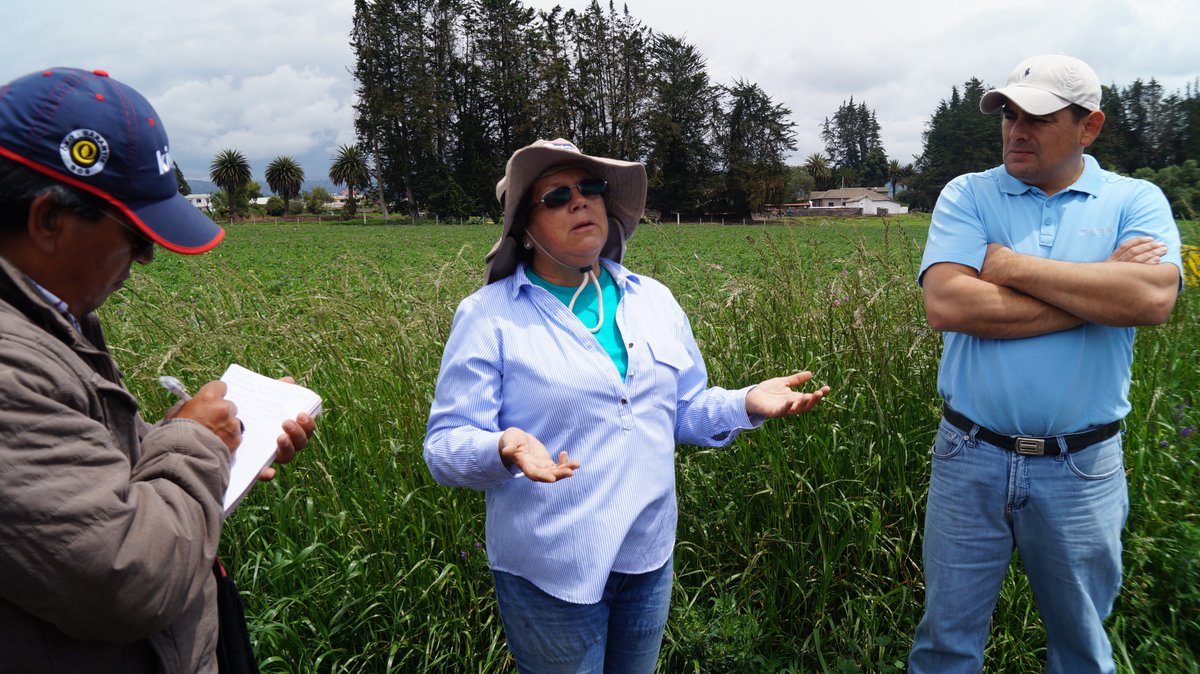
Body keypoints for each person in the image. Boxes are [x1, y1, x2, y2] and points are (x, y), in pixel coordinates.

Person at [423, 138, 831, 673]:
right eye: (556, 196)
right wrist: (506, 444)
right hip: (550, 569)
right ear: (523, 228)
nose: (580, 202)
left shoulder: (653, 300)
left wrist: (745, 403)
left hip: (647, 557)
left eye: (590, 188)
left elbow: (683, 409)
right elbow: (444, 447)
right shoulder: (489, 317)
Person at [0, 67, 316, 673]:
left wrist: (211, 449)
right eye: (133, 231)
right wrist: (196, 444)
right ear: (46, 221)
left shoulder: (50, 317)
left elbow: (90, 489)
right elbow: (127, 577)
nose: (146, 255)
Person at [909, 55, 1183, 673]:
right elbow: (948, 302)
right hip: (968, 456)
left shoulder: (1135, 199)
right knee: (945, 643)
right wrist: (1099, 291)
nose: (1016, 130)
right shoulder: (969, 193)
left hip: (1082, 466)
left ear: (1089, 128)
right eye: (1008, 114)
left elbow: (1151, 298)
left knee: (1082, 647)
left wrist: (1007, 267)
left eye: (1037, 116)